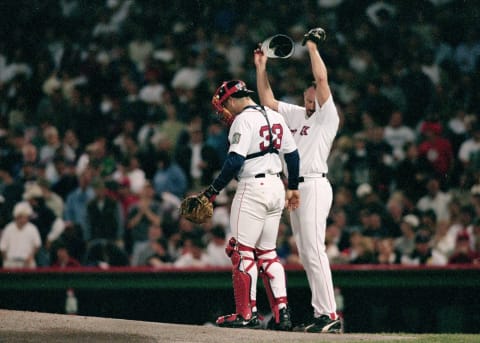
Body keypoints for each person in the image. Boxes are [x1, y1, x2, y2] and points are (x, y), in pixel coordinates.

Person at [254, 27, 342, 333]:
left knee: (315, 250)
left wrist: (312, 48)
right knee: (305, 253)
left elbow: (321, 80)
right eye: (306, 97)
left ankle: (330, 314)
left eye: (313, 97)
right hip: (294, 186)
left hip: (314, 183)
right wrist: (261, 67)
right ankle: (322, 314)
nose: (309, 101)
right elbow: (266, 99)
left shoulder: (326, 116)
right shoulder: (296, 113)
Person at [205, 80, 300, 330]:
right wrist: (293, 187)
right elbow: (292, 155)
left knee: (241, 251)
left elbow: (235, 160)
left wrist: (212, 191)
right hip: (276, 187)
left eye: (225, 104)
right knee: (268, 254)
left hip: (252, 187)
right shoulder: (274, 115)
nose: (225, 110)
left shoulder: (243, 120)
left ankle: (246, 314)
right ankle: (282, 314)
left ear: (234, 99)